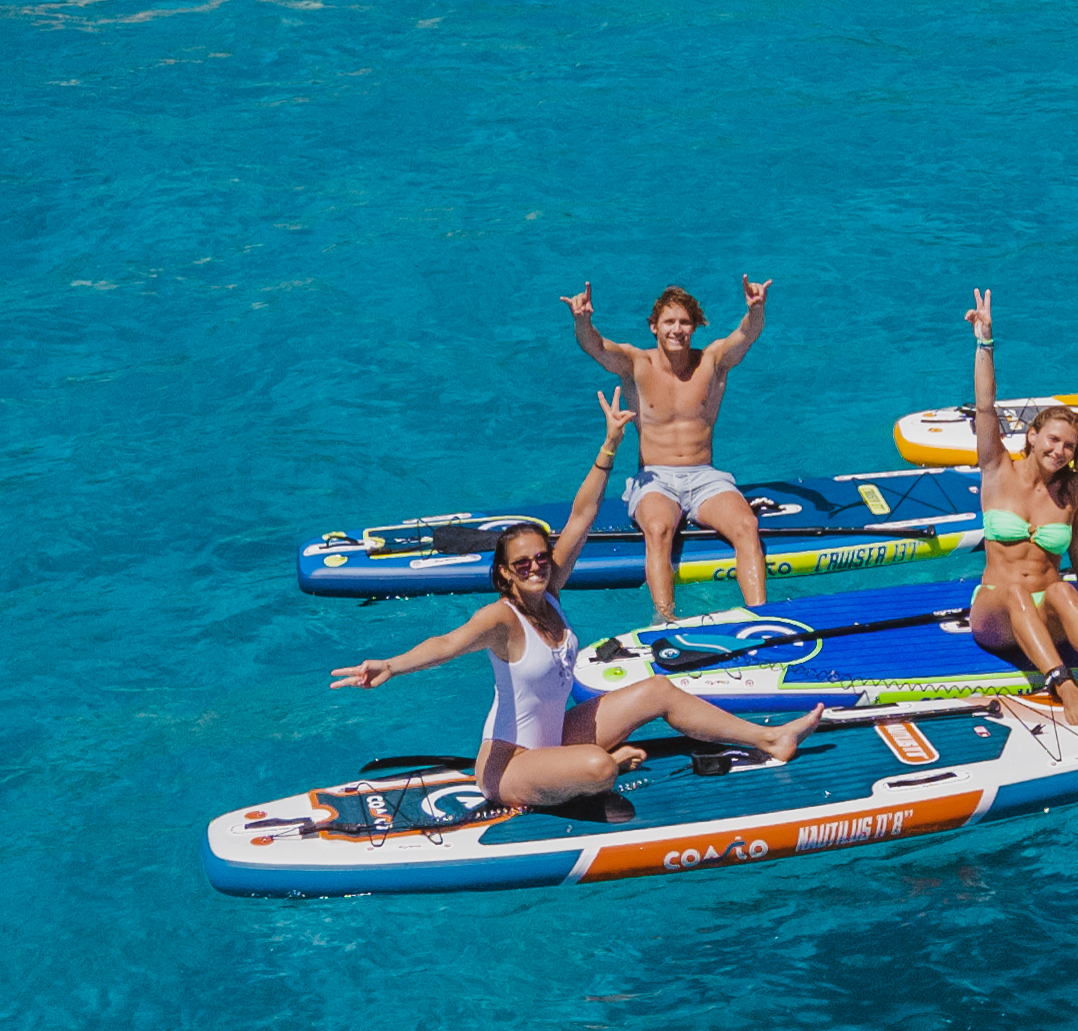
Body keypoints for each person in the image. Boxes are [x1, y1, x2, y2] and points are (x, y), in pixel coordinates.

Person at [330, 391, 823, 811]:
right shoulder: (502, 618)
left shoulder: (552, 591)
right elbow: (446, 644)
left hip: (558, 735)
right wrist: (391, 666)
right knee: (599, 767)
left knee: (658, 691)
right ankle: (602, 766)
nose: (535, 567)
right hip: (509, 764)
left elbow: (583, 512)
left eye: (540, 558)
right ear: (504, 572)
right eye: (522, 564)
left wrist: (610, 444)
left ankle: (770, 738)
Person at [960, 292, 1078, 724]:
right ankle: (1064, 684)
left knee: (1062, 589)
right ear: (1033, 436)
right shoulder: (997, 468)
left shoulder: (1076, 488)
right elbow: (984, 405)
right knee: (1018, 591)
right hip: (997, 612)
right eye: (1052, 439)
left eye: (1069, 446)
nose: (1059, 450)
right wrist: (985, 343)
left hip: (1047, 609)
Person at [566, 274, 770, 621]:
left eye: (685, 322)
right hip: (655, 479)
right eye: (669, 322)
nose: (677, 329)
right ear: (654, 328)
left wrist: (755, 310)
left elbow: (745, 334)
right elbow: (596, 347)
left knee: (746, 526)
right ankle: (665, 619)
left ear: (695, 327)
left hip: (705, 478)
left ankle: (763, 616)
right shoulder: (636, 364)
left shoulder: (712, 361)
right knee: (659, 530)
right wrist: (583, 321)